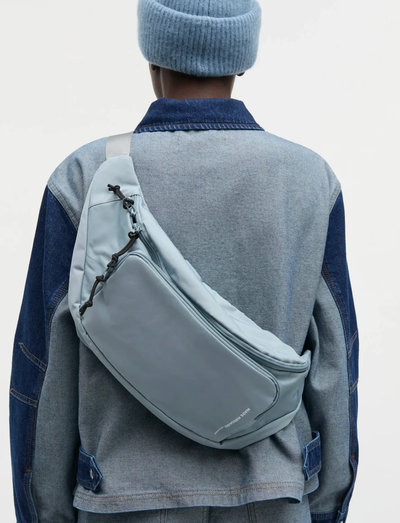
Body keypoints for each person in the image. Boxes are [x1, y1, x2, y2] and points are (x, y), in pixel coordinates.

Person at [9, 0, 359, 522]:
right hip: (274, 499)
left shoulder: (84, 179)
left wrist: (44, 513)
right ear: (243, 57)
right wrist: (322, 508)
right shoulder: (310, 181)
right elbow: (336, 369)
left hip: (120, 502)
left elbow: (44, 377)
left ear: (151, 50)